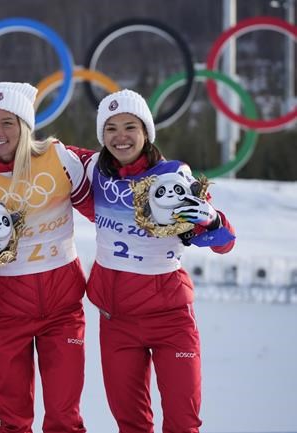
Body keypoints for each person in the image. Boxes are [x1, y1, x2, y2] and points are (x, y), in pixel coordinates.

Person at [85, 89, 236, 433]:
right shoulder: (95, 174)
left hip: (170, 319)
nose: (120, 137)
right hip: (116, 319)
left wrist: (212, 221)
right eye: (111, 129)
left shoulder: (173, 178)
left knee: (183, 422)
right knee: (131, 424)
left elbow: (224, 243)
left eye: (130, 127)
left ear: (146, 132)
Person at [0, 82, 93, 433]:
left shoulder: (60, 159)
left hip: (62, 309)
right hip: (6, 313)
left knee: (64, 418)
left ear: (25, 125)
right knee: (13, 421)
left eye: (7, 122)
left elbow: (103, 210)